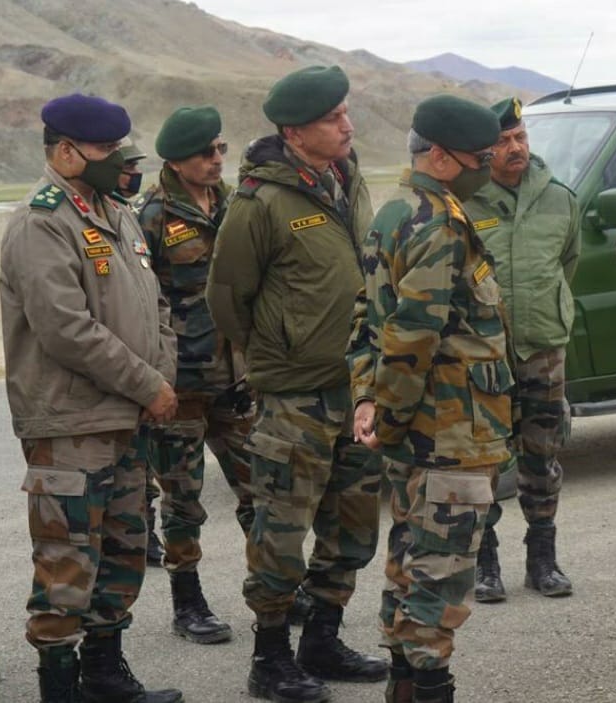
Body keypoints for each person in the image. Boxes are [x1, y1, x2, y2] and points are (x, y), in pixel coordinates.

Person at [207, 65, 386, 703]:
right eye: (333, 119)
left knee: (353, 523)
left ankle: (324, 640)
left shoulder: (349, 177)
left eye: (346, 113)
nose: (348, 126)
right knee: (281, 531)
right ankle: (270, 658)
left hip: (358, 386)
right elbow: (227, 298)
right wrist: (278, 350)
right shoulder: (262, 201)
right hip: (295, 395)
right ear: (294, 132)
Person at [0, 93, 183, 702]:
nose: (121, 160)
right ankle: (59, 686)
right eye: (107, 150)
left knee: (125, 549)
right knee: (68, 561)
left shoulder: (116, 211)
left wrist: (164, 373)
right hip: (70, 421)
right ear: (66, 152)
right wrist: (147, 383)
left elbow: (154, 303)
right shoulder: (41, 222)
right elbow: (66, 330)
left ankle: (105, 673)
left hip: (127, 415)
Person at [348, 93, 508, 703]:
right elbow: (411, 335)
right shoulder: (438, 224)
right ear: (440, 157)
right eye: (479, 157)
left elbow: (366, 318)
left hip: (420, 429)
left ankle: (404, 688)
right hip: (449, 432)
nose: (487, 166)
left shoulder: (394, 212)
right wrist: (384, 410)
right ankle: (429, 688)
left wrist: (370, 401)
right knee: (438, 578)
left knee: (409, 562)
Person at [135, 105, 256, 645]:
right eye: (205, 153)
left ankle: (274, 590)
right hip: (179, 381)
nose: (216, 160)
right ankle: (189, 603)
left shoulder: (233, 203)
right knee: (183, 500)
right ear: (177, 162)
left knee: (261, 488)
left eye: (220, 149)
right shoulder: (152, 215)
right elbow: (140, 301)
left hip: (235, 377)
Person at [463, 96, 580, 603]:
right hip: (483, 354)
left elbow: (566, 263)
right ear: (483, 150)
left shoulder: (559, 198)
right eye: (502, 141)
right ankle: (484, 563)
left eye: (520, 137)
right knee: (485, 458)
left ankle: (543, 559)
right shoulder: (465, 201)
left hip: (543, 350)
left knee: (542, 454)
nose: (514, 148)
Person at [116, 141, 168, 568]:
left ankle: (144, 528)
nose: (133, 173)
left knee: (146, 454)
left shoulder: (126, 217)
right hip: (124, 370)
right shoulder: (145, 215)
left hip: (154, 362)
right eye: (128, 166)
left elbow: (155, 296)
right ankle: (145, 527)